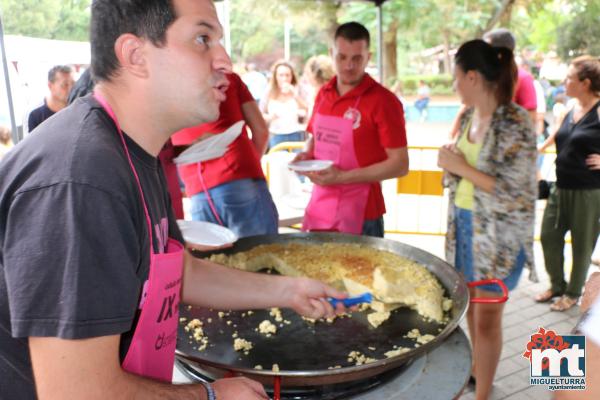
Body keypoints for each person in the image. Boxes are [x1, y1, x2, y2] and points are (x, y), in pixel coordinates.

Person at [0, 1, 349, 399]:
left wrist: (290, 291)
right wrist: (212, 396)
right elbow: (77, 393)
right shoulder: (82, 178)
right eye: (203, 39)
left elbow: (177, 271)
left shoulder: (133, 151)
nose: (226, 62)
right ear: (136, 55)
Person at [437, 39, 536, 400]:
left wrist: (461, 166)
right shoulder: (466, 117)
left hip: (497, 238)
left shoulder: (515, 122)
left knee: (487, 319)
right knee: (469, 312)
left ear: (473, 77)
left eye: (457, 78)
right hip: (464, 228)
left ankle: (483, 393)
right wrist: (452, 164)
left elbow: (517, 191)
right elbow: (463, 172)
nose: (455, 85)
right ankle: (476, 372)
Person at [294, 22, 409, 238]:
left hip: (363, 212)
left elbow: (400, 164)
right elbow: (314, 137)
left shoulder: (384, 101)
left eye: (357, 58)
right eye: (342, 57)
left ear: (368, 56)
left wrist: (342, 177)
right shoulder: (323, 94)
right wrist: (307, 154)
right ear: (332, 54)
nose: (348, 65)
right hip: (321, 204)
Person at [172, 72, 277, 238]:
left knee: (215, 259)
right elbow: (261, 131)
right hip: (238, 173)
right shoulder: (227, 79)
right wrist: (248, 164)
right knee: (261, 256)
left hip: (197, 189)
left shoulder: (165, 88)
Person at [535, 56, 600, 312]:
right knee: (548, 236)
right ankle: (557, 285)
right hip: (559, 186)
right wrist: (534, 150)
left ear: (585, 83)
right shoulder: (570, 107)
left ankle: (573, 293)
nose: (565, 82)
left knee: (582, 246)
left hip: (588, 192)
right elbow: (556, 136)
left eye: (570, 78)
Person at [447, 28, 537, 139]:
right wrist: (452, 136)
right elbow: (465, 108)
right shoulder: (471, 112)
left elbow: (531, 118)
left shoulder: (523, 79)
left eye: (486, 48)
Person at [260, 60, 308, 149]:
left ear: (292, 76)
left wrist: (295, 95)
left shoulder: (298, 89)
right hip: (276, 135)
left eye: (287, 75)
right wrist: (270, 117)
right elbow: (260, 114)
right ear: (275, 76)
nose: (284, 79)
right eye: (281, 75)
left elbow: (307, 108)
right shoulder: (269, 91)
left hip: (296, 134)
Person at [27, 65, 74, 133]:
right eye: (65, 85)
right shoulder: (36, 117)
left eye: (73, 84)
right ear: (50, 86)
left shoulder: (78, 111)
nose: (71, 89)